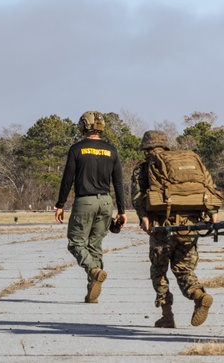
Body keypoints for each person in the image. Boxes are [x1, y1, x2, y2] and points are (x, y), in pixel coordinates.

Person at [131, 130, 218, 328]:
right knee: (183, 268)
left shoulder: (144, 168)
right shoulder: (189, 163)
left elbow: (137, 197)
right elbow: (208, 186)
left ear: (145, 148)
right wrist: (213, 214)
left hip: (162, 226)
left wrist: (144, 218)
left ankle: (167, 315)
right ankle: (198, 295)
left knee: (159, 270)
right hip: (191, 225)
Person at [54, 111, 127, 303]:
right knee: (95, 245)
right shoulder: (112, 150)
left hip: (84, 201)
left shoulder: (77, 149)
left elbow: (67, 178)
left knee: (76, 243)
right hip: (106, 202)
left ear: (84, 126)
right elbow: (118, 183)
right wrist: (122, 211)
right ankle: (91, 293)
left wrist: (60, 204)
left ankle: (93, 270)